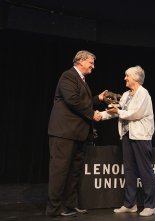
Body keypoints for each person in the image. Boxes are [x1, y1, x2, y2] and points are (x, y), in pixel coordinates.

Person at [46, 50, 105, 217]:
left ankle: (70, 205)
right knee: (60, 171)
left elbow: (82, 101)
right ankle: (55, 208)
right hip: (64, 133)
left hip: (78, 134)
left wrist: (97, 99)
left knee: (74, 172)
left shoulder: (81, 79)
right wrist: (92, 113)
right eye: (91, 63)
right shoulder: (68, 76)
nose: (93, 66)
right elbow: (72, 100)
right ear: (80, 61)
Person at [97, 65, 155, 217]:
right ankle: (130, 204)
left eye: (127, 76)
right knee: (129, 170)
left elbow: (135, 114)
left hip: (141, 136)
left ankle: (150, 205)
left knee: (145, 170)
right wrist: (100, 115)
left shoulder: (143, 93)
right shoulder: (126, 94)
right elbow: (116, 111)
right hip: (127, 135)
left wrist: (118, 111)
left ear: (135, 78)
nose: (125, 78)